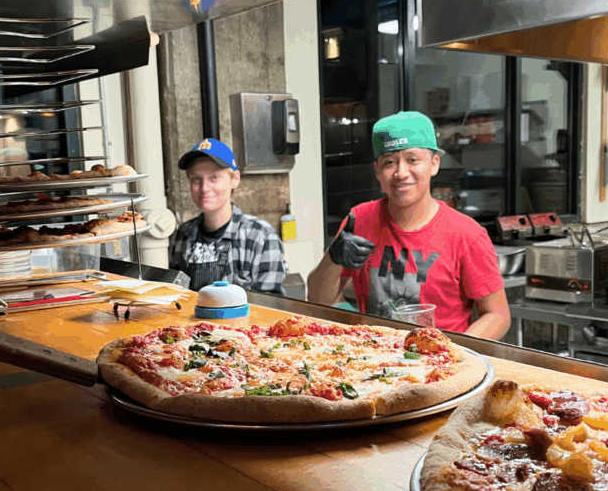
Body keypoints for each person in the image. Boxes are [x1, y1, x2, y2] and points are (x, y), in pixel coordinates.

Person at [307, 111, 510, 338]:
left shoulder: (465, 234)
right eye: (389, 162)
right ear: (377, 171)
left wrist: (457, 353)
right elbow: (317, 298)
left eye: (413, 160)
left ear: (434, 164)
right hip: (373, 362)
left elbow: (497, 315)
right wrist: (332, 260)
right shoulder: (360, 220)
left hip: (440, 365)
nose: (401, 173)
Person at [169, 138, 288, 294]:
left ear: (235, 180)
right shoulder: (183, 234)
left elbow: (271, 309)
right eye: (196, 179)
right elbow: (175, 296)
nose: (204, 188)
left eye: (214, 178)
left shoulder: (261, 237)